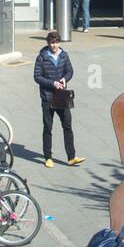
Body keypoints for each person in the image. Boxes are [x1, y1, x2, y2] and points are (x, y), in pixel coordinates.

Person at [33, 30, 82, 169]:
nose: (54, 45)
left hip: (61, 97)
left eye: (55, 42)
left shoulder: (64, 55)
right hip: (48, 97)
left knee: (67, 125)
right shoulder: (41, 57)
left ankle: (71, 157)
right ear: (48, 43)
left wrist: (64, 80)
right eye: (51, 43)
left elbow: (70, 71)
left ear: (59, 42)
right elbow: (37, 77)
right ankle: (48, 157)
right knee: (48, 127)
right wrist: (52, 83)